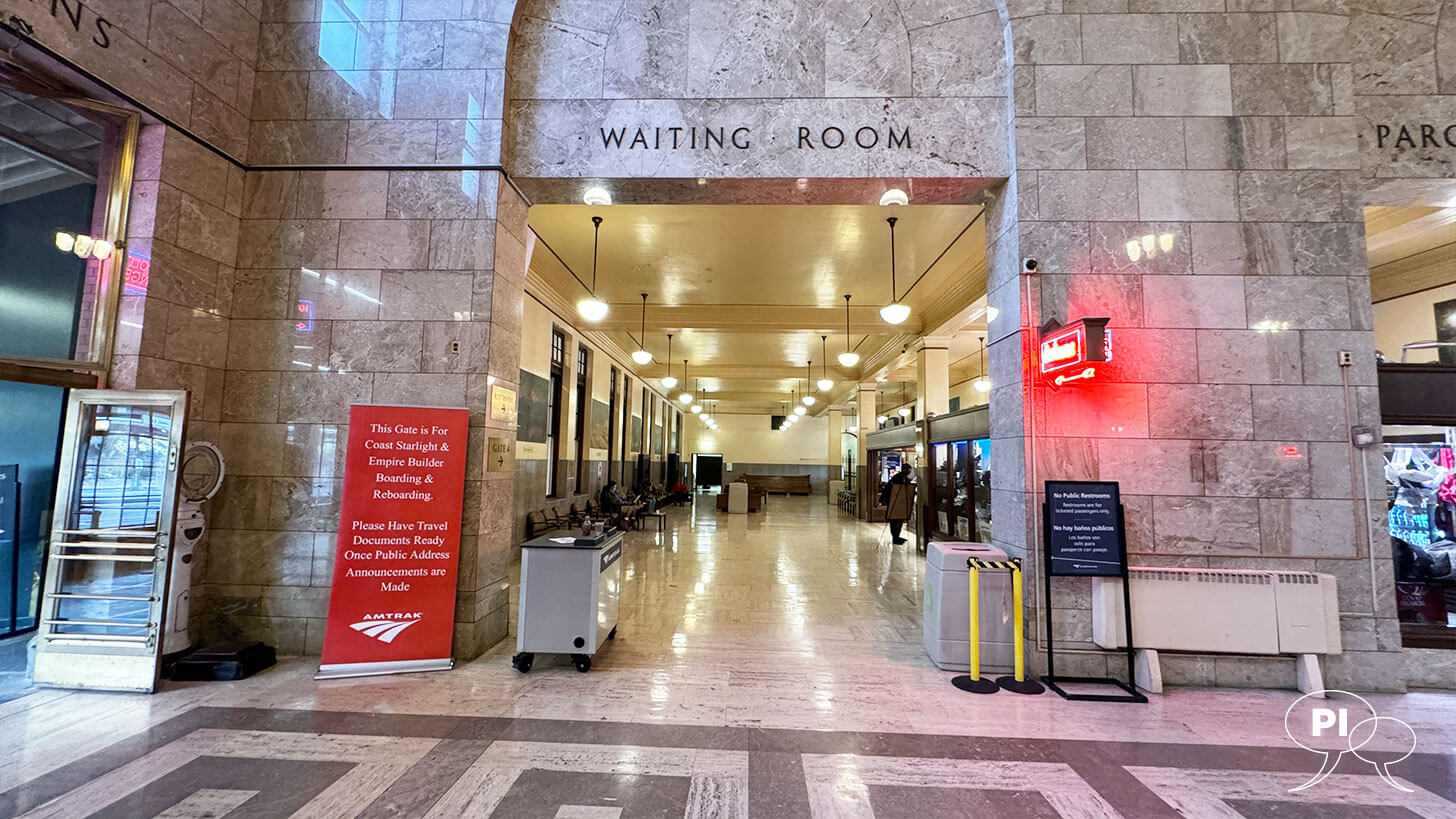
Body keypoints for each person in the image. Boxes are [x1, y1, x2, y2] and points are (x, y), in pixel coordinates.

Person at [885, 462, 915, 545]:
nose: (908, 472)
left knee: (900, 519)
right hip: (894, 502)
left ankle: (898, 536)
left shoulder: (905, 478)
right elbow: (892, 489)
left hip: (901, 503)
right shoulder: (897, 477)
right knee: (894, 520)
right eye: (908, 470)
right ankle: (895, 537)